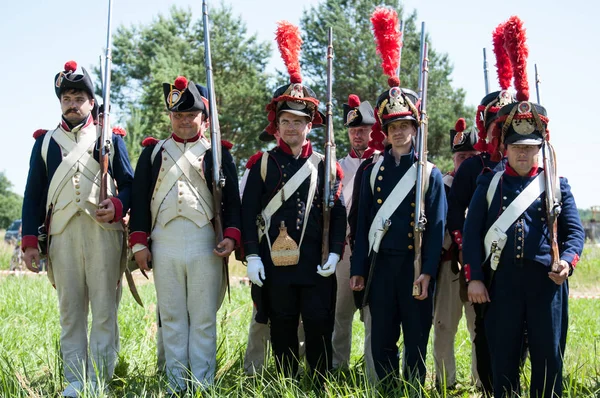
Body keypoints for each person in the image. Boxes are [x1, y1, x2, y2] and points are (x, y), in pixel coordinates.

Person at [241, 21, 346, 381]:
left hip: (316, 263)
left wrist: (334, 253)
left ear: (309, 125)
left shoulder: (325, 165)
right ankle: (286, 382)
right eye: (285, 120)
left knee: (318, 327)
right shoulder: (264, 163)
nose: (291, 127)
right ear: (277, 124)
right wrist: (252, 254)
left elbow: (339, 211)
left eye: (298, 121)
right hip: (275, 262)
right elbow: (249, 211)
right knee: (282, 328)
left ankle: (318, 384)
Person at [21, 60, 134, 397]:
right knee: (70, 312)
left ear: (91, 101)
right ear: (60, 102)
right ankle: (74, 379)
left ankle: (100, 377)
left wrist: (117, 205)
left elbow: (130, 185)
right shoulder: (45, 144)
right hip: (62, 237)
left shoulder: (109, 138)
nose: (72, 103)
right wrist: (29, 241)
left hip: (104, 235)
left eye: (79, 97)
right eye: (66, 97)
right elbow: (33, 196)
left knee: (103, 310)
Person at [350, 7, 446, 387]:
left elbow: (436, 229)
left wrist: (427, 273)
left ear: (414, 128)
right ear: (385, 131)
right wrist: (358, 268)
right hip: (379, 266)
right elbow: (360, 225)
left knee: (416, 342)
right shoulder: (371, 170)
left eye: (406, 125)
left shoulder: (429, 174)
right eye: (393, 126)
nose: (400, 132)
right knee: (382, 342)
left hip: (413, 263)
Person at [463, 99, 584, 398]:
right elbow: (471, 233)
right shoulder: (489, 184)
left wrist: (567, 262)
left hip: (546, 284)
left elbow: (575, 233)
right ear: (505, 147)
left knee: (548, 357)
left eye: (530, 146)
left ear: (539, 148)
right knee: (503, 355)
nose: (522, 152)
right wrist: (475, 277)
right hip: (503, 284)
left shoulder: (556, 185)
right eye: (517, 146)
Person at [129, 76, 241, 394]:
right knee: (173, 316)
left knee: (203, 318)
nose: (184, 121)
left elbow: (232, 201)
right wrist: (139, 243)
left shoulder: (218, 153)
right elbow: (139, 203)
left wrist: (231, 237)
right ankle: (177, 382)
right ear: (170, 117)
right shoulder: (153, 153)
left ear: (203, 117)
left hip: (205, 241)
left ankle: (203, 382)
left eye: (191, 115)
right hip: (164, 242)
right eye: (178, 115)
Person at [433, 118, 480, 390]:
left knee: (478, 329)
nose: (466, 161)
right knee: (444, 327)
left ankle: (480, 381)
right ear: (454, 158)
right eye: (461, 156)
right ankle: (444, 383)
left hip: (479, 268)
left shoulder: (486, 184)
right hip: (449, 265)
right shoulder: (442, 184)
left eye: (471, 156)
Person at [332, 94, 376, 378]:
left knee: (374, 317)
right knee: (340, 314)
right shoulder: (336, 167)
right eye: (353, 130)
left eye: (363, 130)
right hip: (345, 249)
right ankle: (338, 369)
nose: (357, 135)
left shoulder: (382, 164)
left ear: (373, 131)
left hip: (375, 250)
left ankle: (374, 372)